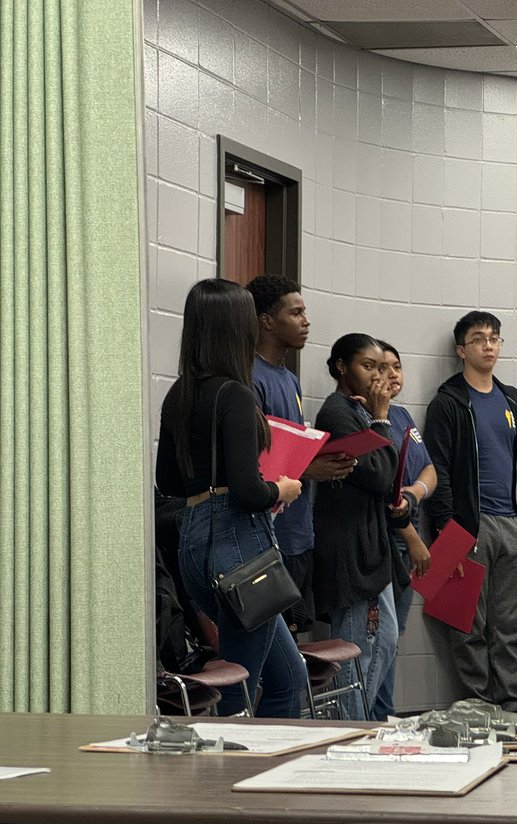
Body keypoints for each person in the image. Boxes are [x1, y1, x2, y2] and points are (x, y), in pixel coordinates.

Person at [155, 278, 306, 717]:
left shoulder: (178, 392)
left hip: (195, 544)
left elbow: (170, 480)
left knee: (287, 677)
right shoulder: (236, 394)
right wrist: (283, 488)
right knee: (240, 686)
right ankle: (235, 776)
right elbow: (246, 492)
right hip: (240, 548)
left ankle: (266, 771)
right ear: (238, 328)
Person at [424, 311, 517, 713]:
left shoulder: (514, 402)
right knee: (467, 623)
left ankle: (514, 707)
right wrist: (447, 532)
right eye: (478, 339)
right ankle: (479, 706)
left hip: (512, 527)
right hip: (467, 528)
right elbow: (437, 469)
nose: (489, 346)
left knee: (511, 627)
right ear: (461, 350)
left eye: (494, 339)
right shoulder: (449, 403)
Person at [246, 274, 355, 637]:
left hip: (299, 532)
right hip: (270, 536)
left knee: (296, 641)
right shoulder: (251, 376)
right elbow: (259, 460)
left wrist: (330, 459)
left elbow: (291, 446)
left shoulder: (289, 378)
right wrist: (313, 468)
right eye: (296, 313)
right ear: (267, 321)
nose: (306, 321)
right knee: (275, 651)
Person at [312, 334, 401, 719]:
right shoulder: (337, 412)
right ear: (341, 368)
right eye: (368, 366)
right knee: (355, 650)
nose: (377, 376)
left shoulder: (360, 411)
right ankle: (350, 730)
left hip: (371, 545)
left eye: (382, 368)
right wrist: (382, 420)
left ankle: (359, 723)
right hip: (347, 547)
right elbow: (381, 476)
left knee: (386, 639)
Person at [373, 340, 434, 719]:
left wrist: (414, 492)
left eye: (397, 366)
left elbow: (430, 471)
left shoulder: (403, 417)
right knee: (379, 640)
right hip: (386, 542)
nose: (392, 375)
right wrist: (411, 536)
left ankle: (383, 714)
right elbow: (383, 491)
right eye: (383, 368)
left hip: (408, 538)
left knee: (393, 640)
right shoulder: (366, 418)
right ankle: (371, 719)